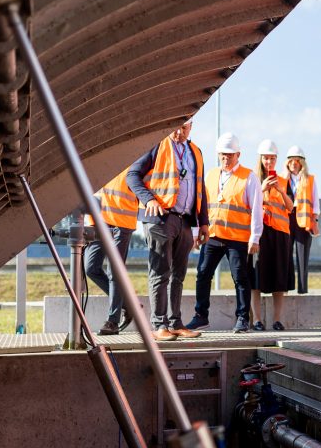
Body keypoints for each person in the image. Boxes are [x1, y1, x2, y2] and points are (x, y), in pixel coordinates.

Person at [126, 120, 207, 341]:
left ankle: (175, 323)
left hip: (185, 221)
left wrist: (204, 223)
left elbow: (201, 189)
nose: (179, 132)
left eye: (185, 127)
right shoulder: (156, 145)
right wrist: (148, 199)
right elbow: (132, 176)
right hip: (161, 219)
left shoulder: (196, 152)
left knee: (178, 275)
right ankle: (158, 324)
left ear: (192, 125)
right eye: (177, 126)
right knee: (160, 272)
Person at [188, 133, 262, 334]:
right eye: (222, 154)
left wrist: (255, 237)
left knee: (240, 278)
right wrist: (196, 231)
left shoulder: (249, 177)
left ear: (238, 154)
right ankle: (201, 316)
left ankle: (242, 318)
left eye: (229, 155)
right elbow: (201, 205)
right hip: (213, 235)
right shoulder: (210, 175)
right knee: (203, 274)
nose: (225, 158)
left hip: (237, 239)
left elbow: (257, 208)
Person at [85, 168, 139, 336]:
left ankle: (112, 321)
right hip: (99, 223)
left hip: (121, 225)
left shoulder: (133, 165)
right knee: (90, 268)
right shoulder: (101, 163)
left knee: (114, 272)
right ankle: (128, 306)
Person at [250, 139, 292, 331]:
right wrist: (263, 189)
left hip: (280, 234)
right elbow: (248, 205)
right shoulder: (253, 179)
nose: (269, 162)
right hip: (260, 233)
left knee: (279, 279)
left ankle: (277, 320)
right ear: (260, 159)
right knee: (256, 278)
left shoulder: (283, 181)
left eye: (272, 159)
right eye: (266, 158)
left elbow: (291, 207)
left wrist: (281, 191)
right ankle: (257, 320)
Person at [285, 145, 319, 295]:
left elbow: (315, 202)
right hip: (286, 220)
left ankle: (302, 289)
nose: (293, 163)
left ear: (302, 163)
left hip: (304, 221)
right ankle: (286, 285)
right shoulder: (282, 179)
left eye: (296, 161)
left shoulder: (310, 179)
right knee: (286, 255)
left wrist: (315, 220)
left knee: (302, 255)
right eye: (291, 161)